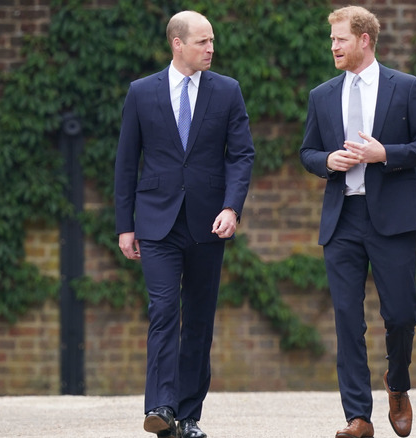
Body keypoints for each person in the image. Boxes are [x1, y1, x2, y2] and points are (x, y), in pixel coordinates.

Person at [300, 6, 416, 438]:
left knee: (400, 315)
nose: (333, 47)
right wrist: (327, 160)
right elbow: (307, 152)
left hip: (393, 219)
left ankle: (397, 385)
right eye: (331, 40)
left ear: (364, 40)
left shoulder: (406, 87)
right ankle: (358, 417)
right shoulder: (322, 95)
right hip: (342, 217)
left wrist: (386, 155)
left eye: (340, 39)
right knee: (347, 318)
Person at [114, 10, 254, 438]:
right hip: (156, 222)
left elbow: (242, 155)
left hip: (208, 223)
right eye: (202, 41)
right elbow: (125, 162)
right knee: (162, 312)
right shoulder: (141, 92)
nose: (211, 48)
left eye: (212, 41)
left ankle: (187, 415)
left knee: (198, 320)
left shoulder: (227, 91)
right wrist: (125, 225)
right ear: (177, 43)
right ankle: (159, 405)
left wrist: (232, 207)